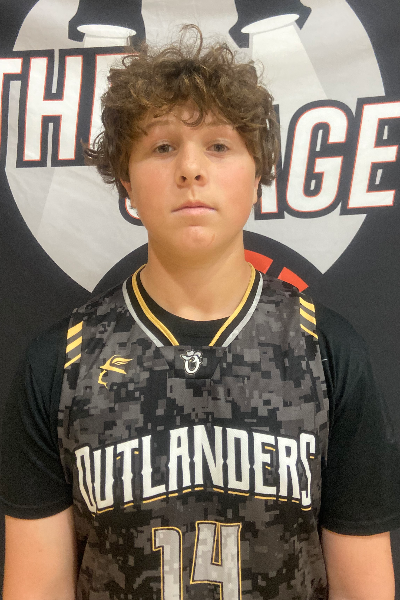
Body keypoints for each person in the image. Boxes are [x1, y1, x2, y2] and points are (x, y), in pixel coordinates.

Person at [1, 25, 399, 600]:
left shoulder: (326, 352)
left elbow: (364, 587)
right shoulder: (60, 364)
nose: (190, 169)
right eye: (162, 147)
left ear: (259, 175)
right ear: (127, 181)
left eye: (218, 145)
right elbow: (37, 588)